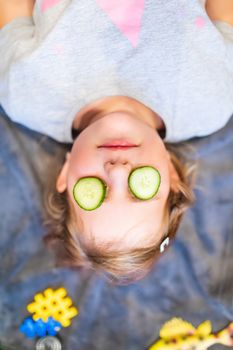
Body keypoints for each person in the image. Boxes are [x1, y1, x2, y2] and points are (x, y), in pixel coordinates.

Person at [0, 0, 233, 284]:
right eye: (141, 188)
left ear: (65, 176)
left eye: (94, 191)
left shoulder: (26, 97)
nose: (118, 170)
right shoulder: (210, 104)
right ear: (171, 174)